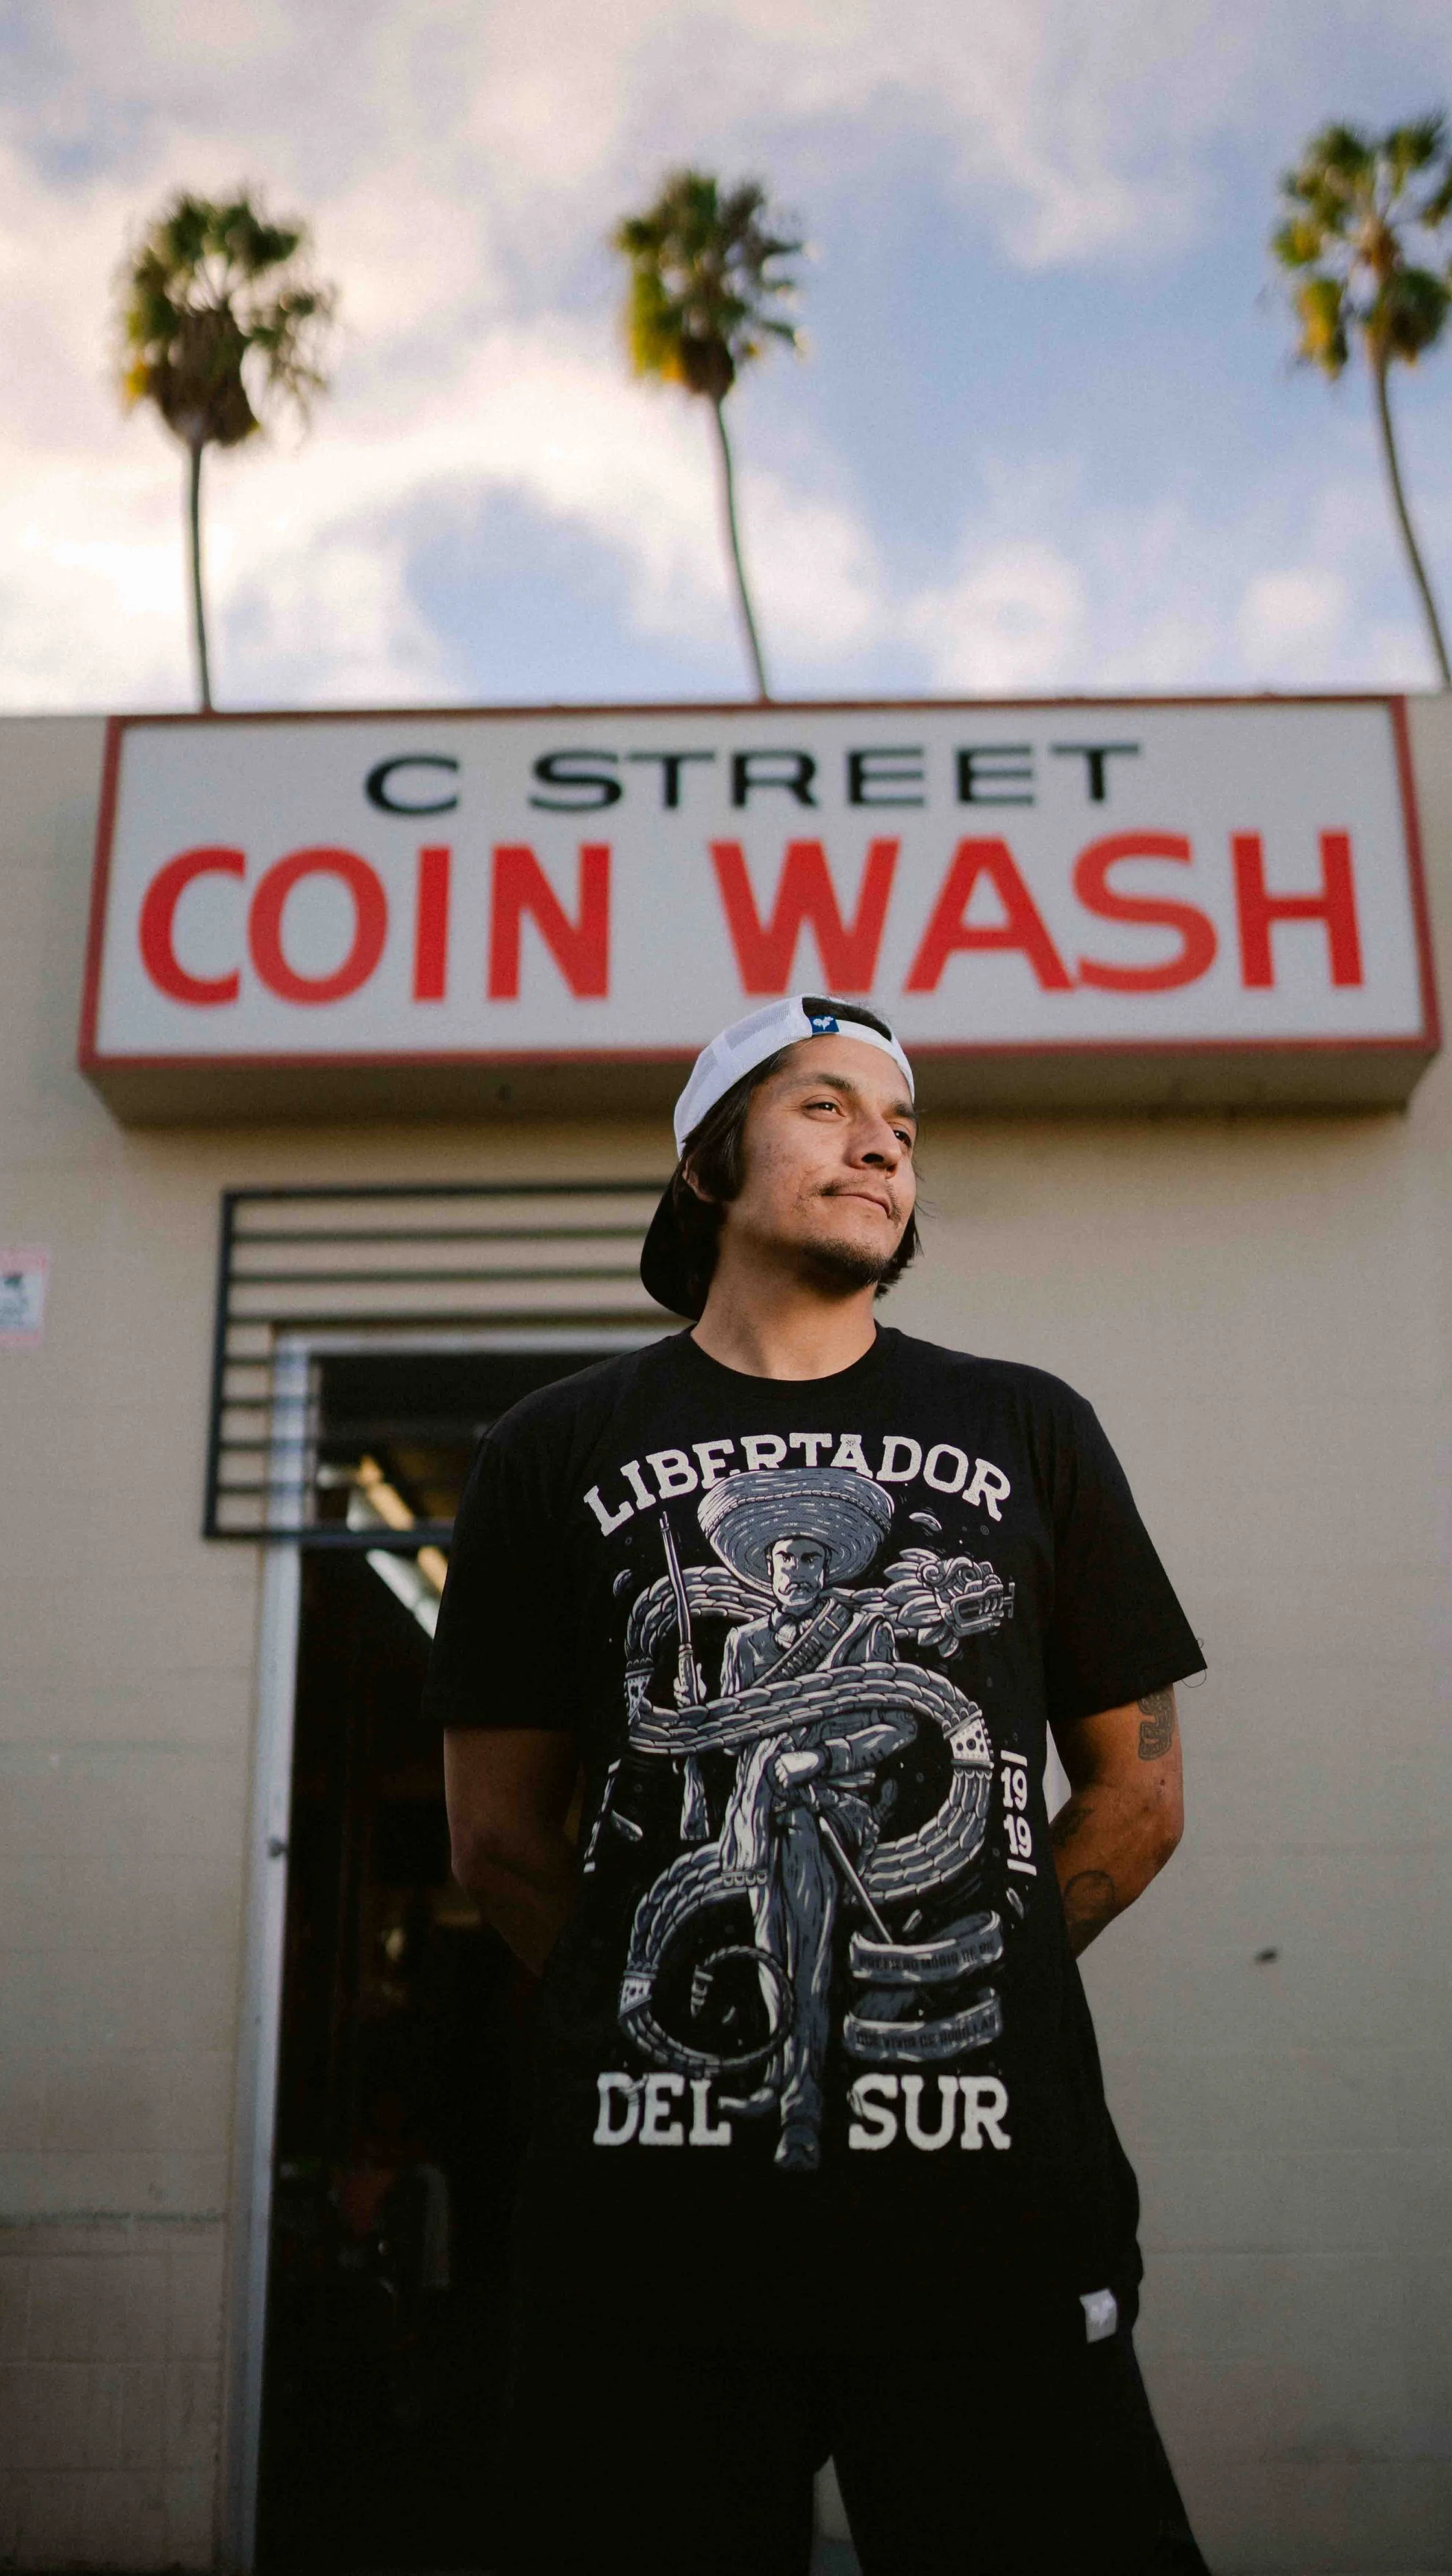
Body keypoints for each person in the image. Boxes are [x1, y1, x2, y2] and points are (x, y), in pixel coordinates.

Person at [429, 996, 1209, 2575]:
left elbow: (1134, 1800)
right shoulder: (551, 1450)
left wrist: (948, 1976)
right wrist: (666, 2010)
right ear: (709, 1165)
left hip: (990, 2225)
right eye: (824, 1107)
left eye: (901, 1127)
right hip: (645, 2243)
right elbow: (500, 1839)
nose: (879, 1145)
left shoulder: (1026, 1430)